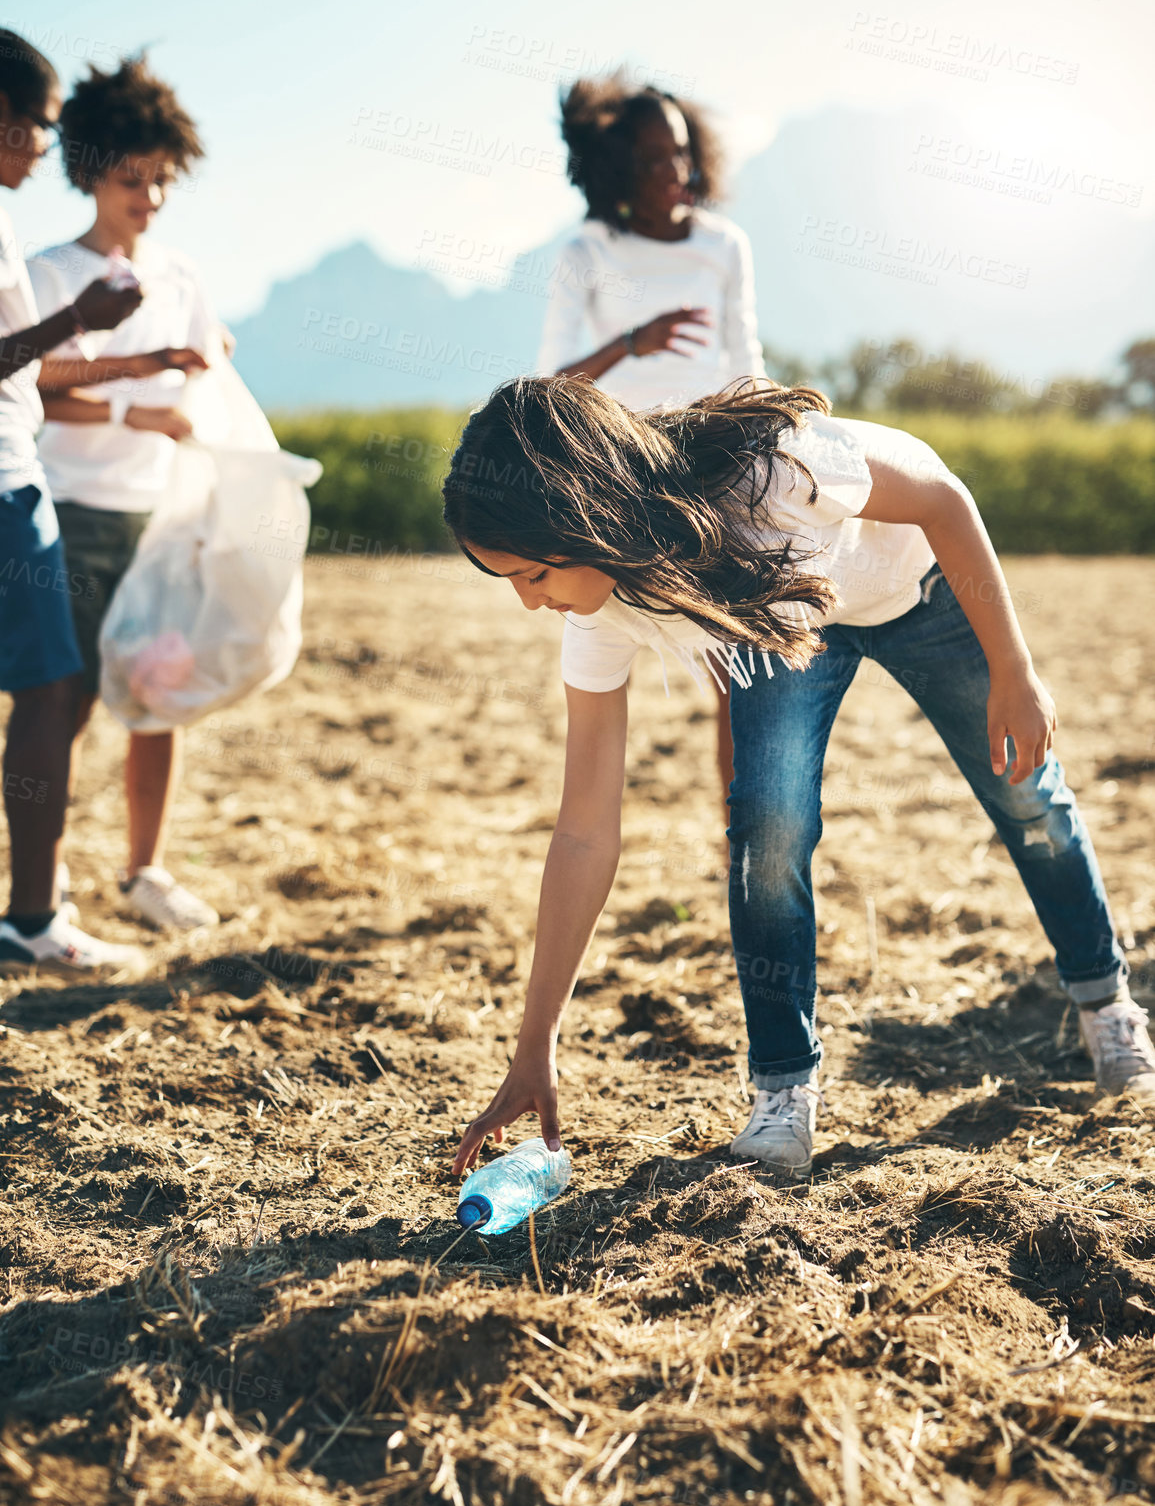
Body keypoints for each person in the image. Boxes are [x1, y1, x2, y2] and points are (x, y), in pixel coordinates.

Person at [443, 376, 1154, 1182]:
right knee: (768, 827)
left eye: (532, 575)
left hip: (917, 584)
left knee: (1023, 790)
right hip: (785, 619)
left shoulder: (773, 472)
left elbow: (943, 500)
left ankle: (1105, 1003)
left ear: (586, 518)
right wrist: (534, 1045)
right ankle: (784, 1088)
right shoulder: (596, 610)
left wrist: (1012, 669)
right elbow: (582, 829)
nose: (529, 604)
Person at [539, 75, 766, 836]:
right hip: (621, 484)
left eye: (680, 153)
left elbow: (749, 362)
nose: (674, 172)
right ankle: (591, 832)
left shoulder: (723, 244)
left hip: (718, 472)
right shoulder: (586, 251)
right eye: (651, 158)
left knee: (739, 672)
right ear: (613, 171)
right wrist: (632, 342)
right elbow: (549, 386)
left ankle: (741, 831)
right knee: (605, 668)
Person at [29, 54, 222, 932]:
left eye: (160, 179)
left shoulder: (182, 277)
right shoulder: (51, 273)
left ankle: (144, 871)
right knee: (59, 703)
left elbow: (200, 382)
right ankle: (49, 875)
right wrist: (129, 411)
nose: (147, 196)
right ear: (88, 173)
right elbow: (30, 385)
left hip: (159, 517)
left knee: (159, 692)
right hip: (71, 513)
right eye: (129, 178)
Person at [0, 28, 149, 974]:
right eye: (38, 125)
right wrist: (77, 320)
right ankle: (31, 917)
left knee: (52, 690)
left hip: (17, 473)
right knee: (52, 690)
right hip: (7, 487)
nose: (47, 146)